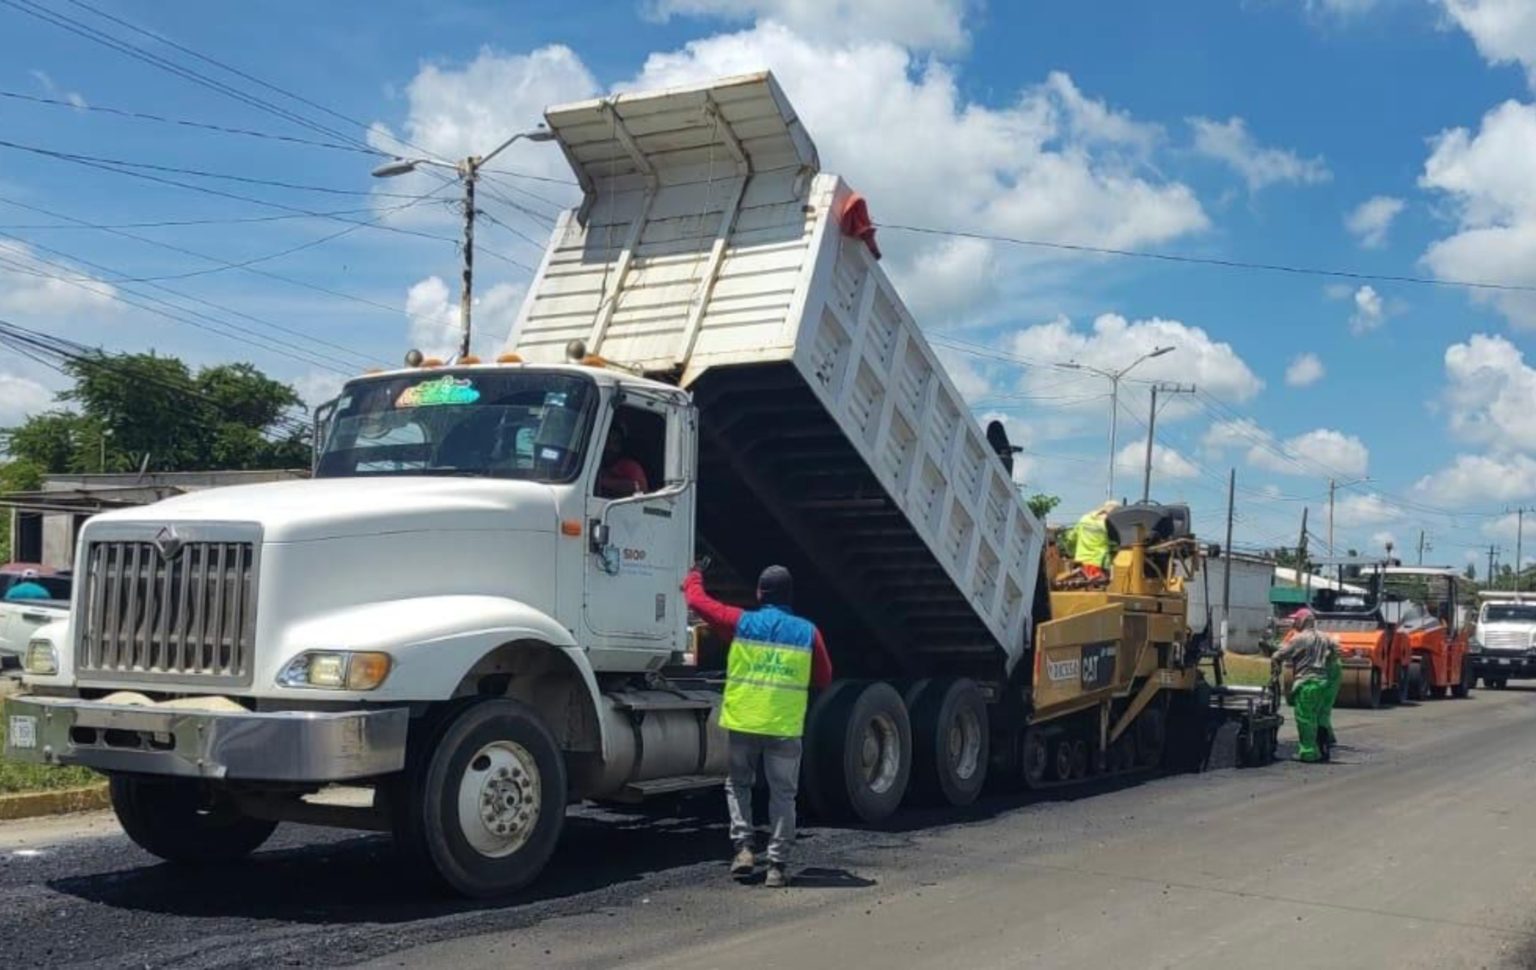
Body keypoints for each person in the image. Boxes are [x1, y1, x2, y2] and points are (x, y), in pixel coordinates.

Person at [684, 564, 833, 888]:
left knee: (738, 785)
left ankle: (744, 850)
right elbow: (823, 677)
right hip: (783, 726)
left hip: (744, 721)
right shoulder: (808, 632)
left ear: (759, 593)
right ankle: (777, 866)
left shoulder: (741, 623)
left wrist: (694, 575)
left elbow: (697, 602)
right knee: (783, 795)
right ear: (790, 596)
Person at [1270, 608, 1342, 763]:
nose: (1294, 622)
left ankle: (1308, 752)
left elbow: (1280, 654)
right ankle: (1321, 749)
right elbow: (1337, 649)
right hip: (1323, 682)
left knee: (1305, 719)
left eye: (1296, 619)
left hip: (1307, 683)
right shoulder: (1324, 637)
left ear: (1303, 621)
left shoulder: (1299, 638)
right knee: (1317, 716)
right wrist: (1328, 659)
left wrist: (1274, 658)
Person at [1067, 500, 1120, 579]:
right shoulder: (1108, 523)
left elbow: (1071, 538)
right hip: (1099, 563)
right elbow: (1118, 543)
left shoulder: (1084, 519)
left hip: (1080, 562)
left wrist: (1072, 553)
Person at [596, 420, 649, 498]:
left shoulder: (630, 466)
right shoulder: (593, 463)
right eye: (607, 441)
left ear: (621, 446)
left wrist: (605, 482)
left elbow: (642, 489)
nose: (610, 447)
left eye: (615, 443)